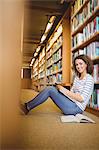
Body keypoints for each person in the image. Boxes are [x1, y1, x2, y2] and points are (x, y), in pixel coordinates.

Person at [21, 54, 94, 115]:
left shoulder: (89, 79)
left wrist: (63, 90)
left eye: (81, 64)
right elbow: (72, 93)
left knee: (50, 90)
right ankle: (27, 106)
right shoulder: (77, 78)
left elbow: (81, 99)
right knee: (52, 89)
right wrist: (61, 91)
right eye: (76, 64)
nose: (78, 66)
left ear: (86, 64)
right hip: (71, 102)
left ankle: (27, 107)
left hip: (76, 108)